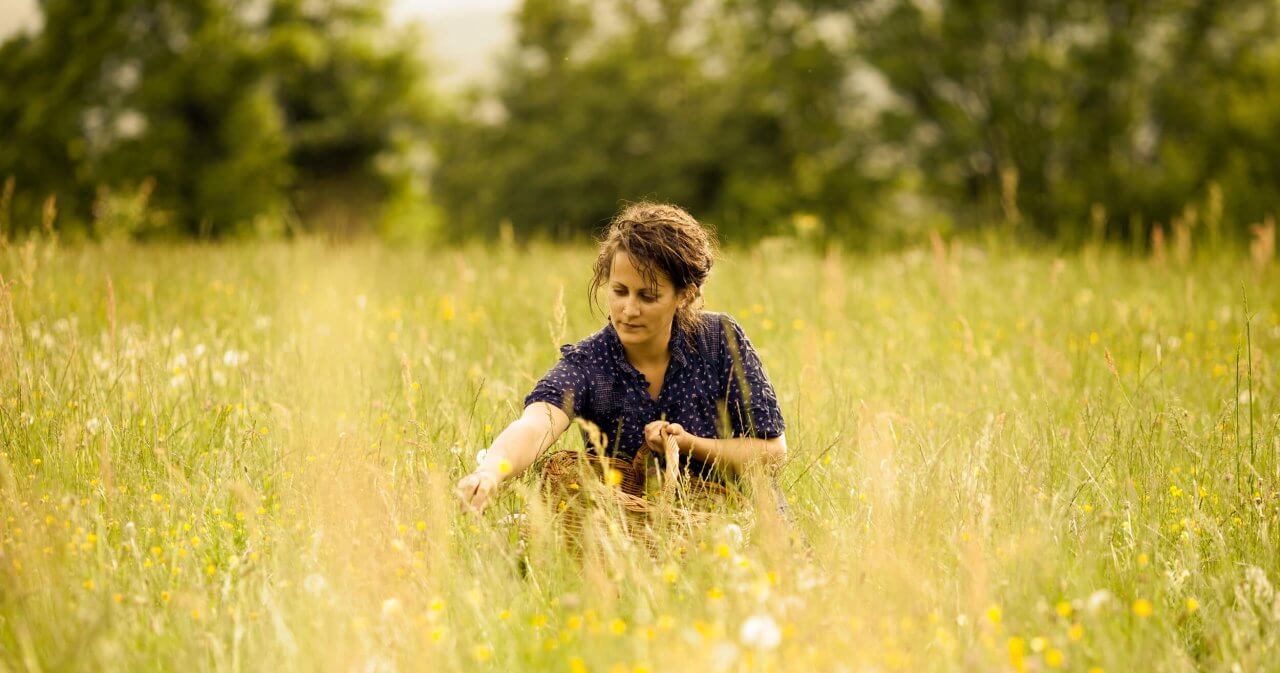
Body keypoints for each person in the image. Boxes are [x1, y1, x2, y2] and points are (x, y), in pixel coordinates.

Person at [454, 202, 788, 516]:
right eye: (619, 291)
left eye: (648, 296)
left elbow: (773, 454)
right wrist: (489, 472)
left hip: (740, 527)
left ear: (684, 295)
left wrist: (688, 444)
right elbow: (536, 424)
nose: (628, 310)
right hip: (634, 539)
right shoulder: (589, 363)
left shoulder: (719, 341)